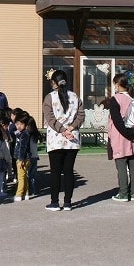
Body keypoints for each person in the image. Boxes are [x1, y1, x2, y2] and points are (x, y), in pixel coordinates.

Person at [42, 69, 84, 211]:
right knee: (68, 171)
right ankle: (67, 202)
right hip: (72, 139)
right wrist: (71, 128)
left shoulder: (49, 98)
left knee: (55, 172)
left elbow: (50, 118)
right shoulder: (75, 96)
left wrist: (62, 130)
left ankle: (55, 202)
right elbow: (81, 115)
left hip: (56, 139)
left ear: (54, 82)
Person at [108, 73, 134, 202]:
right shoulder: (133, 99)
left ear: (117, 84)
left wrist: (128, 135)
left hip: (120, 136)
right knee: (133, 164)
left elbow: (117, 121)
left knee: (121, 164)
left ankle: (123, 193)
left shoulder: (116, 99)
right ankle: (133, 193)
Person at [13, 114, 31, 201]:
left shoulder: (24, 134)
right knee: (24, 176)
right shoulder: (20, 133)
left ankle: (19, 194)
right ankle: (26, 193)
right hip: (24, 158)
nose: (19, 126)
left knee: (21, 177)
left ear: (26, 125)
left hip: (23, 158)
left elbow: (22, 148)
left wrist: (20, 160)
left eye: (21, 124)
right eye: (17, 124)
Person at [26, 115, 41, 197]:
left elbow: (27, 147)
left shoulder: (27, 134)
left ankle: (28, 190)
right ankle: (33, 190)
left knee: (27, 174)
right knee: (33, 175)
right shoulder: (35, 134)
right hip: (35, 156)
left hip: (29, 157)